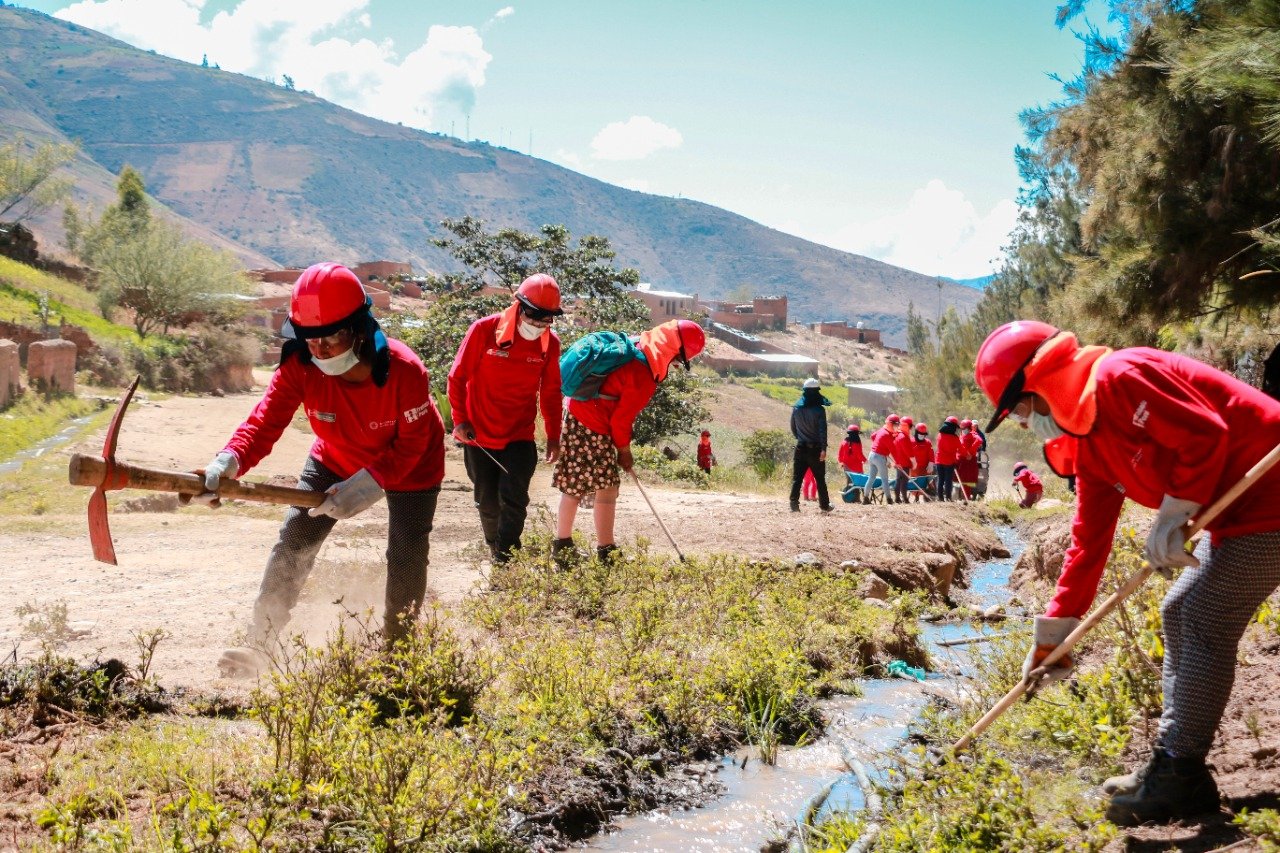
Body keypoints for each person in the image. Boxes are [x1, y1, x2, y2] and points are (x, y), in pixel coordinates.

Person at [975, 319, 1280, 826]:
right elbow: (1087, 546)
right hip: (1241, 515)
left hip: (1271, 491)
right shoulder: (1089, 449)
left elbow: (1205, 434)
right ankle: (1175, 764)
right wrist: (1055, 635)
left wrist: (1174, 513)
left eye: (1021, 410)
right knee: (1178, 609)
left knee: (1203, 616)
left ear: (1039, 382)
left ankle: (1179, 774)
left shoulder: (1120, 376)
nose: (1025, 425)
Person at [200, 263, 445, 677]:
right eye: (312, 340)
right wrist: (230, 459)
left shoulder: (405, 371)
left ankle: (398, 656)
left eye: (333, 337)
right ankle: (261, 644)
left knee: (406, 551)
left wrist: (370, 485)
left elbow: (413, 444)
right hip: (334, 457)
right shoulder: (299, 366)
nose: (322, 350)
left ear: (361, 329)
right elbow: (264, 421)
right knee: (294, 539)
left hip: (411, 462)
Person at [552, 319, 705, 561]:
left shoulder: (638, 343)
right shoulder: (643, 373)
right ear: (673, 350)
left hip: (575, 412)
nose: (676, 365)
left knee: (576, 484)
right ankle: (602, 551)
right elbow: (620, 422)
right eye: (679, 360)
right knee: (604, 487)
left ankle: (566, 545)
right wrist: (624, 451)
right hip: (592, 423)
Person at [448, 273, 563, 564]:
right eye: (534, 317)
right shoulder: (483, 330)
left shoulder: (550, 344)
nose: (538, 325)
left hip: (519, 435)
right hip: (478, 433)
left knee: (514, 499)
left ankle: (505, 560)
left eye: (546, 319)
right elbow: (457, 377)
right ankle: (494, 545)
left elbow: (550, 393)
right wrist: (460, 420)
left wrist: (553, 436)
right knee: (487, 502)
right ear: (518, 306)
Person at [789, 378, 833, 512]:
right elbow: (822, 431)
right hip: (816, 450)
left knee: (797, 478)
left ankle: (794, 504)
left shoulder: (796, 409)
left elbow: (793, 428)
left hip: (800, 448)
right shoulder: (819, 410)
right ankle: (824, 506)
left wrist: (801, 438)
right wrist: (823, 449)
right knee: (820, 479)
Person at [865, 414, 899, 504]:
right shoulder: (887, 435)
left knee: (871, 478)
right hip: (879, 457)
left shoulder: (882, 430)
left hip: (872, 455)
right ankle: (889, 500)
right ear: (892, 425)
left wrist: (879, 445)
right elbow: (893, 451)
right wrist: (898, 462)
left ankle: (865, 498)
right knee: (884, 479)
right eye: (896, 425)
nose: (897, 427)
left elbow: (872, 436)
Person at [935, 416, 961, 501]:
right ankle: (948, 498)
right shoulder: (955, 438)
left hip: (939, 460)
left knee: (940, 479)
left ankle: (940, 497)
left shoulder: (939, 435)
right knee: (948, 480)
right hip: (949, 462)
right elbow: (960, 449)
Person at [956, 418, 982, 500]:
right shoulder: (962, 434)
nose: (963, 430)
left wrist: (970, 452)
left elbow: (979, 440)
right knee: (960, 480)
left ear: (969, 428)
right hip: (961, 461)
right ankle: (960, 497)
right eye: (962, 428)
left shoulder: (973, 434)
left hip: (969, 461)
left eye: (965, 428)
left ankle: (966, 497)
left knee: (967, 481)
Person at [891, 416, 915, 503]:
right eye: (910, 426)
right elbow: (908, 451)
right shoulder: (903, 437)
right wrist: (914, 461)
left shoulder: (897, 435)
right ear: (907, 426)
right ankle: (905, 499)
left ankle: (897, 498)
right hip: (904, 462)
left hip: (898, 462)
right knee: (904, 481)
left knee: (898, 480)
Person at [909, 422, 934, 502]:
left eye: (923, 434)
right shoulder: (911, 441)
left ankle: (928, 498)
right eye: (920, 433)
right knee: (915, 483)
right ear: (916, 433)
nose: (921, 435)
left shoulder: (927, 442)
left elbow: (931, 454)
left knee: (926, 483)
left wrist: (931, 464)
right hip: (914, 468)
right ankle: (916, 498)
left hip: (925, 468)